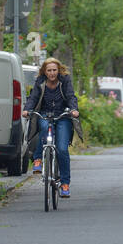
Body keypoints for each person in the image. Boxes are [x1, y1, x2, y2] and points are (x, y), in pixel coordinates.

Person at [26, 57, 80, 197]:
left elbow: (70, 96)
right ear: (44, 71)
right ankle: (38, 159)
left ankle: (65, 184)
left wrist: (73, 109)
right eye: (49, 70)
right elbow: (33, 97)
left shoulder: (65, 80)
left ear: (59, 70)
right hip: (45, 115)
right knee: (43, 128)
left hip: (63, 116)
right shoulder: (40, 81)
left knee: (62, 149)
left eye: (54, 70)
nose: (52, 73)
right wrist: (27, 109)